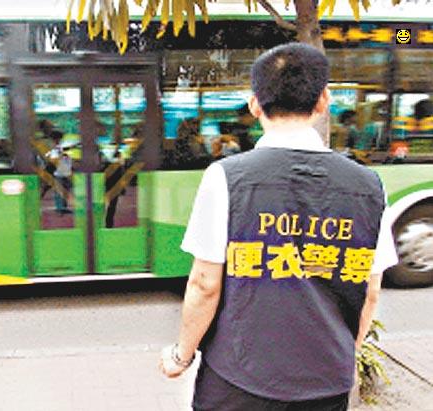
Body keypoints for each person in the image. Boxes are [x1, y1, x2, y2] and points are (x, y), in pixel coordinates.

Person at [159, 43, 398, 411]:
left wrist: (181, 356)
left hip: (237, 380)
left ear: (255, 104)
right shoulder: (369, 186)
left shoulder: (226, 177)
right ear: (324, 100)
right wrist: (344, 354)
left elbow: (205, 284)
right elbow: (371, 289)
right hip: (324, 385)